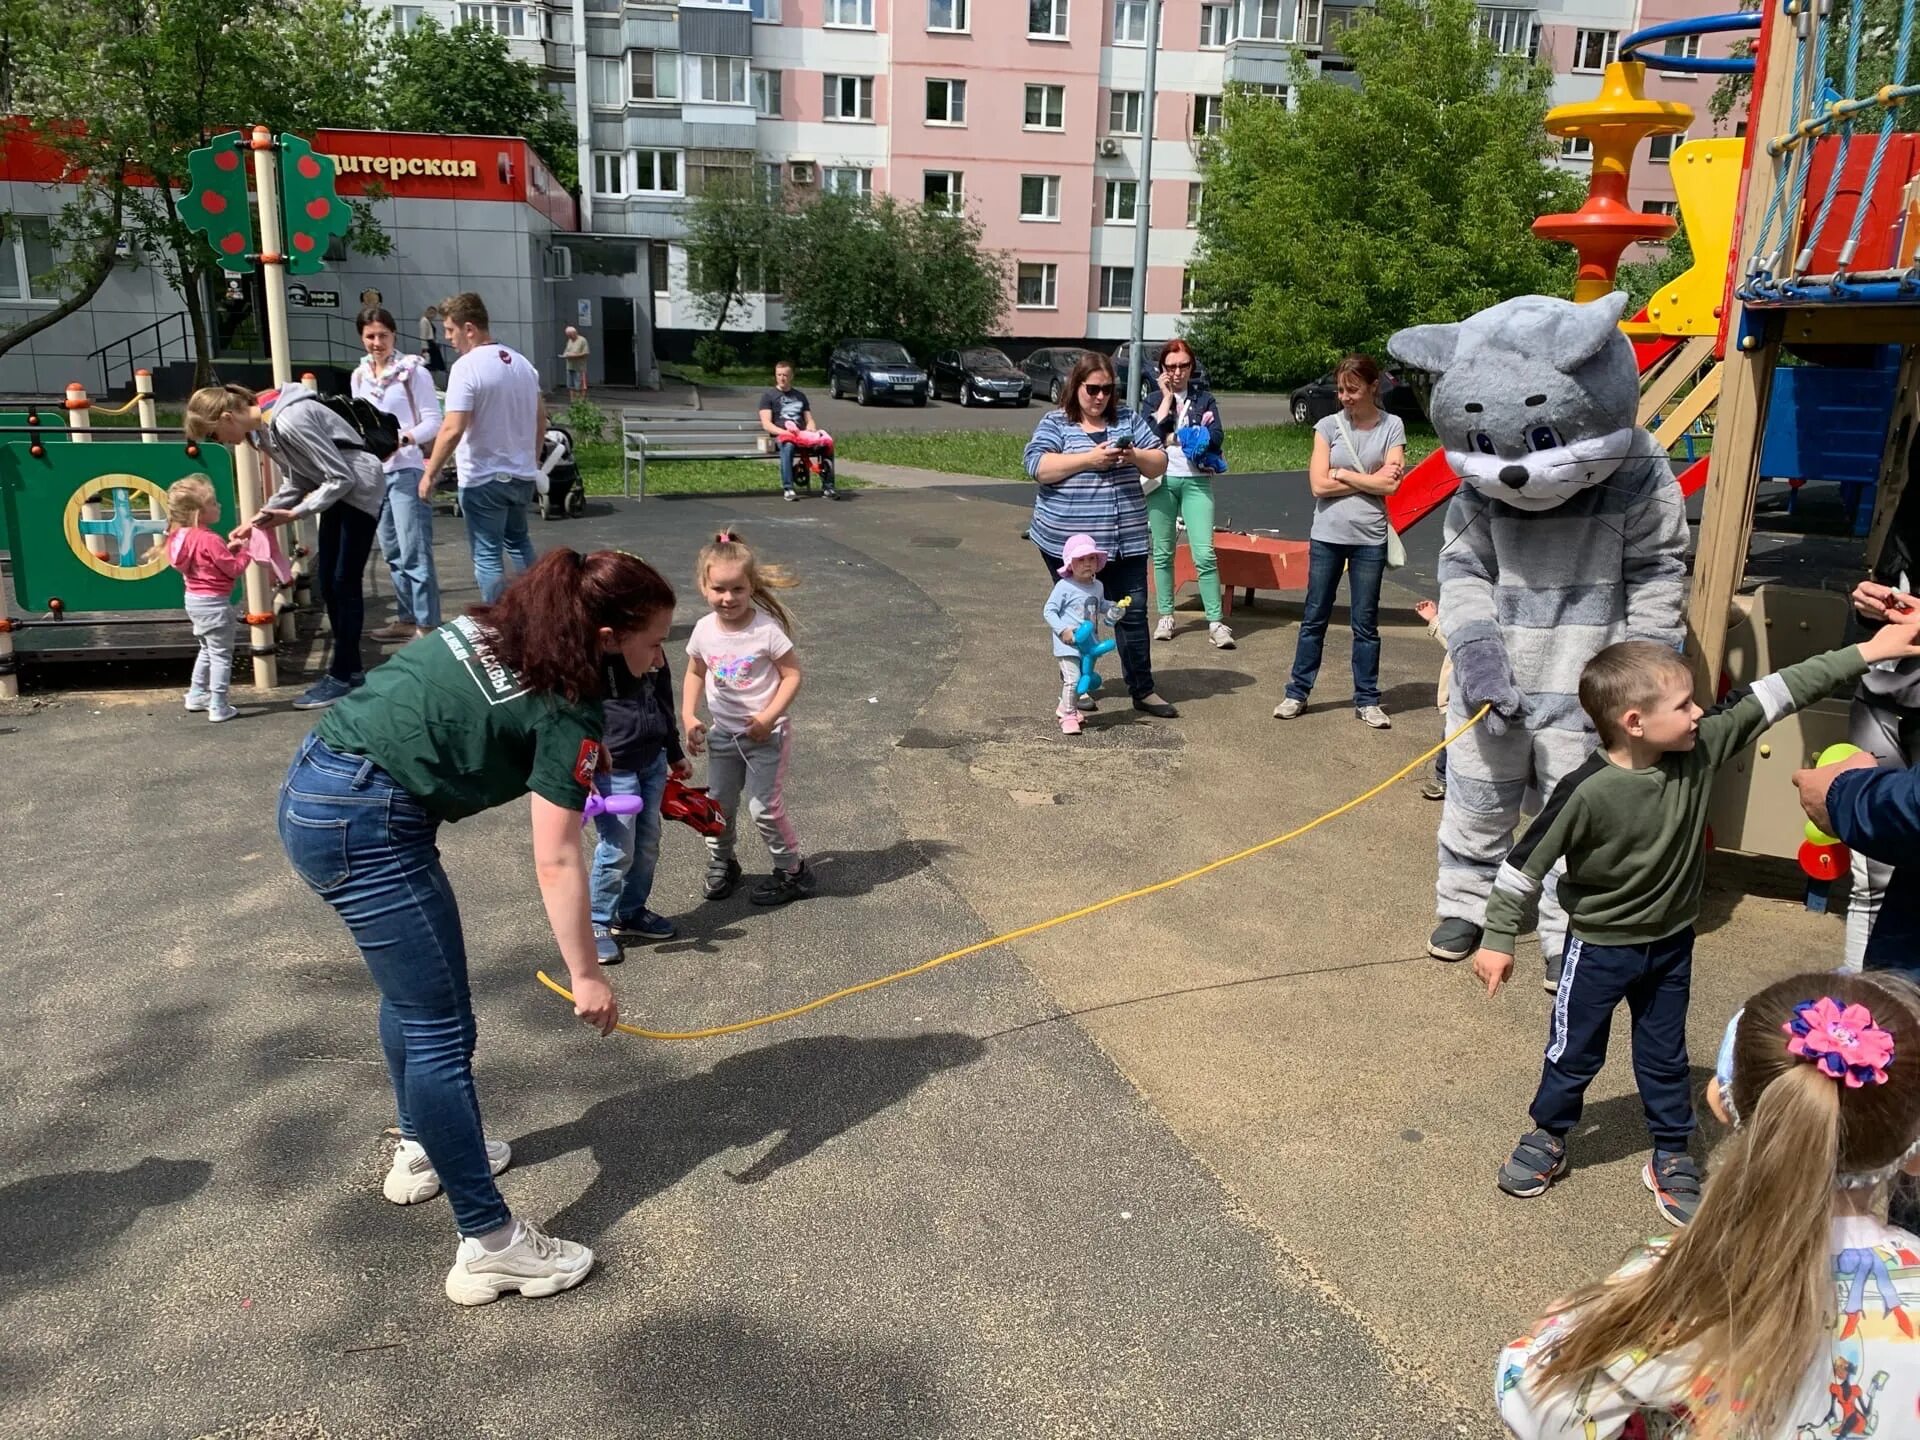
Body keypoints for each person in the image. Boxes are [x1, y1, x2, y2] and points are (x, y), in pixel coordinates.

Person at [276, 548, 673, 1304]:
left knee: (416, 1004)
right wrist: (586, 975)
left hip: (318, 784)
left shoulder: (499, 627)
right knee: (440, 1029)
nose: (659, 658)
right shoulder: (570, 705)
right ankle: (490, 1246)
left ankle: (424, 1148)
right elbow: (557, 858)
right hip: (366, 823)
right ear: (606, 633)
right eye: (655, 639)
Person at [1473, 622, 1920, 1226]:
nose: (1699, 713)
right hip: (1599, 948)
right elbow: (1523, 867)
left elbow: (1781, 691)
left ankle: (1670, 1149)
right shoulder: (1587, 792)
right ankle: (1549, 1131)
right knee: (1574, 1050)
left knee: (1665, 1055)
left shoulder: (1701, 746)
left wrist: (1869, 652)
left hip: (1671, 944)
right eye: (1683, 705)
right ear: (1634, 722)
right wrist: (1499, 938)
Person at [1496, 970, 1920, 1440]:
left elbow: (1532, 1398)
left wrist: (1560, 1324)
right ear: (1915, 1153)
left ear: (1721, 1101)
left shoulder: (1681, 1279)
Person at [185, 379, 385, 710]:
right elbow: (298, 480)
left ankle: (343, 674)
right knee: (332, 584)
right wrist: (255, 521)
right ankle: (348, 671)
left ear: (225, 418)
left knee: (342, 582)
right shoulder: (265, 430)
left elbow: (341, 476)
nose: (222, 442)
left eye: (215, 435)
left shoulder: (290, 418)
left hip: (358, 489)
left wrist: (293, 514)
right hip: (337, 492)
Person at [1023, 354, 1177, 719]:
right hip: (1071, 546)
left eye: (1107, 390)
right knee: (1078, 617)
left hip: (1126, 542)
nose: (1100, 397)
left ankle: (1143, 689)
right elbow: (1037, 466)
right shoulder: (1057, 423)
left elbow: (1160, 461)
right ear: (1076, 387)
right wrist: (1088, 460)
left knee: (1133, 613)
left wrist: (1134, 455)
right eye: (1092, 389)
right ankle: (1079, 686)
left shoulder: (1127, 419)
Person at [681, 530, 814, 906]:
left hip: (765, 737)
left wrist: (770, 716)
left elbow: (792, 675)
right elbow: (695, 671)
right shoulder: (704, 630)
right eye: (719, 589)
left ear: (750, 585)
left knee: (763, 807)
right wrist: (689, 716)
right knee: (717, 805)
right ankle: (723, 862)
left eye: (737, 589)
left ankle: (793, 871)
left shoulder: (765, 631)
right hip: (724, 736)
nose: (728, 598)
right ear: (704, 586)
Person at [1276, 355, 1406, 730]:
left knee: (1365, 622)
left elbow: (1392, 484)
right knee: (1314, 616)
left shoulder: (1392, 426)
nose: (1345, 397)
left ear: (1372, 387)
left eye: (1353, 390)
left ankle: (1367, 699)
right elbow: (1318, 485)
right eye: (1341, 390)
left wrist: (1343, 473)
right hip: (1328, 536)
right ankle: (1297, 692)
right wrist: (1370, 478)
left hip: (1370, 538)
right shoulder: (1327, 426)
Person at [422, 293, 546, 604]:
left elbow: (452, 427)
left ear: (469, 328)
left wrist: (430, 473)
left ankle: (500, 625)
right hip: (520, 474)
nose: (448, 338)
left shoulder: (467, 367)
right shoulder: (523, 364)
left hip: (484, 476)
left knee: (488, 555)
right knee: (519, 542)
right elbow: (540, 418)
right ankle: (538, 610)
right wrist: (531, 459)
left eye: (450, 330)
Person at [590, 625, 692, 961]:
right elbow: (574, 711)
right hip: (613, 768)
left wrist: (673, 750)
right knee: (619, 848)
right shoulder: (594, 657)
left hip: (653, 761)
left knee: (647, 844)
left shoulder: (652, 649)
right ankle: (597, 923)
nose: (657, 653)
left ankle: (630, 911)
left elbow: (663, 699)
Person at [351, 304, 443, 643]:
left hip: (405, 467)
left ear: (394, 335)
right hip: (374, 472)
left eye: (383, 335)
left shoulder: (413, 372)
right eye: (370, 336)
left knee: (414, 548)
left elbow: (434, 420)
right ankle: (406, 618)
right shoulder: (359, 375)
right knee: (391, 550)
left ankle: (428, 624)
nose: (377, 342)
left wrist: (405, 436)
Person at [1146, 338, 1233, 651]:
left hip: (1196, 481)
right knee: (1163, 551)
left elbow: (1217, 436)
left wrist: (1174, 437)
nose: (1178, 371)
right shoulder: (1154, 398)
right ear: (1162, 370)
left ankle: (1215, 622)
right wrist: (1168, 400)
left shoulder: (1203, 398)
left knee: (1204, 552)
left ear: (1192, 367)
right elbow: (1149, 432)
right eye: (1171, 366)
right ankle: (1166, 615)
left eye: (1184, 365)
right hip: (1162, 480)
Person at [156, 474, 248, 723]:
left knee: (207, 649)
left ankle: (196, 694)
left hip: (194, 601)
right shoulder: (210, 539)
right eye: (213, 503)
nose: (219, 506)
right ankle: (218, 704)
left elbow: (206, 562)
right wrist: (246, 552)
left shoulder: (178, 537)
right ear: (198, 512)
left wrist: (228, 552)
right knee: (221, 655)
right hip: (216, 604)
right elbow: (233, 569)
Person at [1044, 533, 1131, 736]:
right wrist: (1063, 629)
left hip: (1090, 645)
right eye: (1080, 560)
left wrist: (1114, 608)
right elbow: (1049, 610)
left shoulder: (1097, 586)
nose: (1087, 564)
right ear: (1070, 564)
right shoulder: (1064, 587)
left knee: (1082, 680)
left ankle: (1064, 706)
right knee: (1073, 679)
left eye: (1091, 558)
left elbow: (1099, 606)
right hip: (1068, 643)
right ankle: (1069, 716)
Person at [758, 361, 834, 501]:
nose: (782, 378)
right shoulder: (768, 396)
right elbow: (767, 424)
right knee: (788, 446)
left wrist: (811, 427)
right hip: (782, 435)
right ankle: (788, 488)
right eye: (779, 375)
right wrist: (785, 432)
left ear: (791, 376)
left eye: (785, 375)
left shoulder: (800, 396)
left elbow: (809, 419)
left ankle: (828, 487)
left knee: (826, 444)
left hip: (801, 435)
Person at [1413, 598, 1450, 801]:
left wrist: (1434, 621)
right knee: (1451, 736)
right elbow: (1456, 642)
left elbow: (1458, 644)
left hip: (1473, 694)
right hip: (1459, 697)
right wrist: (1435, 620)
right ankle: (1443, 779)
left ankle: (1446, 780)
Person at [562, 326, 590, 398]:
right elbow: (566, 351)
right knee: (571, 386)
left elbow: (586, 353)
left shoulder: (582, 340)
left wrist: (575, 355)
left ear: (575, 333)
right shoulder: (569, 341)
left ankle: (580, 403)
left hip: (579, 367)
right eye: (568, 336)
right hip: (569, 366)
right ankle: (573, 402)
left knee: (580, 386)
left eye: (570, 335)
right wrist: (565, 355)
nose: (570, 337)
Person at [418, 304, 446, 375]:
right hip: (429, 345)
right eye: (431, 313)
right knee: (432, 365)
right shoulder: (424, 321)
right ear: (427, 312)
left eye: (434, 314)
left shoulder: (427, 321)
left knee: (435, 365)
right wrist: (424, 348)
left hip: (432, 344)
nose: (433, 315)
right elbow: (423, 336)